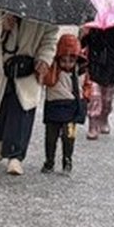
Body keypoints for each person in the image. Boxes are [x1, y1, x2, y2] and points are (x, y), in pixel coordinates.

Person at [0, 3, 59, 176]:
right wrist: (1, 27)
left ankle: (15, 157)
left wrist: (44, 59)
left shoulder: (45, 7)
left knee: (22, 111)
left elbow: (50, 38)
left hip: (27, 69)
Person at [40, 34, 90, 173]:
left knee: (69, 138)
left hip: (72, 109)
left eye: (71, 60)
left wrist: (86, 97)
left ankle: (67, 160)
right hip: (54, 107)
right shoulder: (53, 69)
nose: (67, 64)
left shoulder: (81, 72)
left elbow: (87, 86)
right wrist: (54, 65)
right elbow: (48, 80)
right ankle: (49, 161)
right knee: (51, 137)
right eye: (64, 60)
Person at [81, 23, 114, 140]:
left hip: (111, 68)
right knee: (95, 97)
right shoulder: (95, 27)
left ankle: (104, 117)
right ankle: (93, 124)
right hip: (95, 66)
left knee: (107, 99)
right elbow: (83, 43)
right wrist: (84, 35)